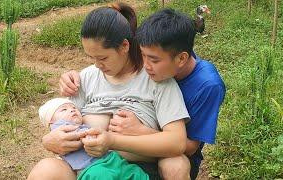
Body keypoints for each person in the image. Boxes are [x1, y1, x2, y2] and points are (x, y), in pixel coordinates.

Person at [28, 3, 190, 180]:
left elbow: (177, 142)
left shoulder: (156, 80)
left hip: (133, 169)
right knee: (45, 170)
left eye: (103, 58)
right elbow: (62, 117)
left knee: (176, 163)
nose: (97, 65)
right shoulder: (87, 77)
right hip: (84, 165)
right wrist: (49, 140)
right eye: (91, 58)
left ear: (124, 46)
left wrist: (112, 141)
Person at [60, 8, 226, 180]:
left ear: (181, 59)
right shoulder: (160, 54)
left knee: (176, 165)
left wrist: (138, 131)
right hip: (120, 153)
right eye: (142, 55)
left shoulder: (206, 85)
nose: (145, 66)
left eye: (153, 59)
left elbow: (187, 146)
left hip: (163, 154)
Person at [37, 97, 149, 179]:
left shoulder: (79, 125)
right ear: (51, 120)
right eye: (64, 110)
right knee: (103, 175)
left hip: (109, 158)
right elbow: (77, 138)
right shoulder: (60, 128)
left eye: (74, 108)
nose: (72, 110)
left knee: (130, 170)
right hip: (91, 167)